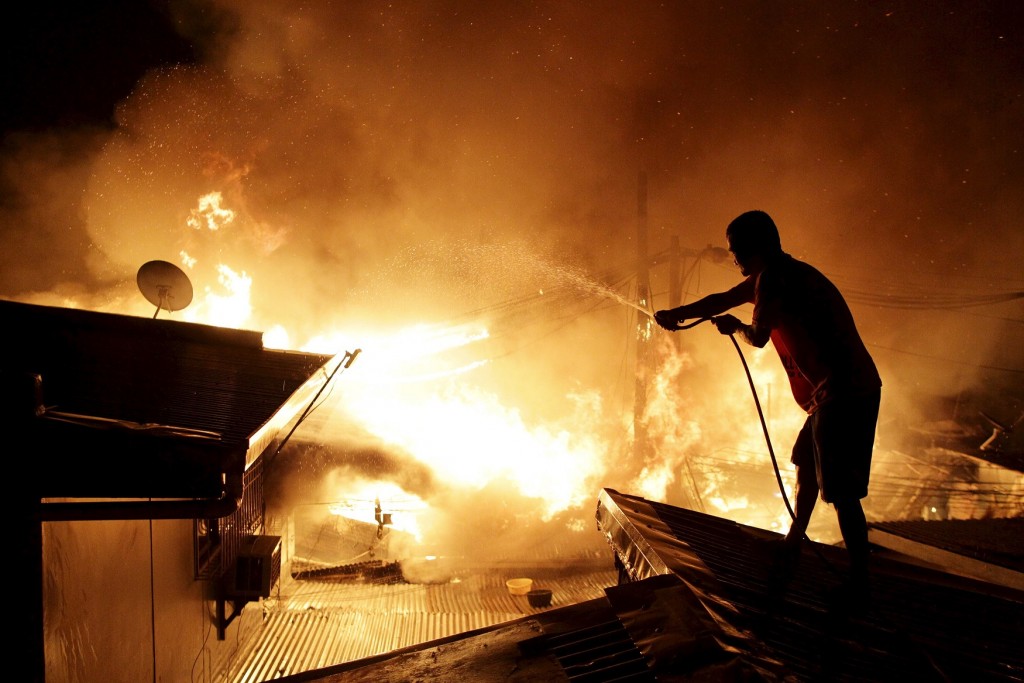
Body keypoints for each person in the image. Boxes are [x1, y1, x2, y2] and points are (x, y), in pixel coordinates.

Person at [654, 210, 882, 604]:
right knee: (806, 463)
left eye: (736, 250)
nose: (734, 258)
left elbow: (757, 336)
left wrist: (733, 327)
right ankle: (794, 543)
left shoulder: (774, 280)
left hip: (844, 392)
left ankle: (860, 585)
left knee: (843, 493)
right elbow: (723, 298)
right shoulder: (774, 274)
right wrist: (679, 314)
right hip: (832, 393)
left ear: (752, 247)